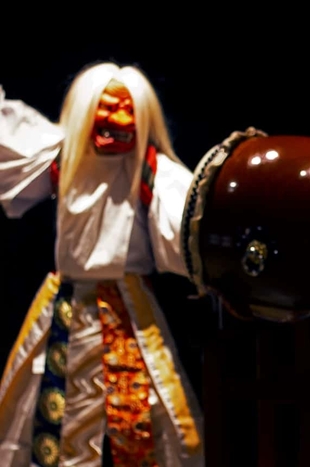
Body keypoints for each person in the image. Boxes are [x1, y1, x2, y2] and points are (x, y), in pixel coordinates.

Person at [0, 63, 204, 466]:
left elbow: (189, 221)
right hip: (65, 304)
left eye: (127, 109)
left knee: (147, 420)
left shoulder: (150, 169)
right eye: (106, 108)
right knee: (44, 411)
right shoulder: (63, 158)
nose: (116, 119)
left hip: (127, 307)